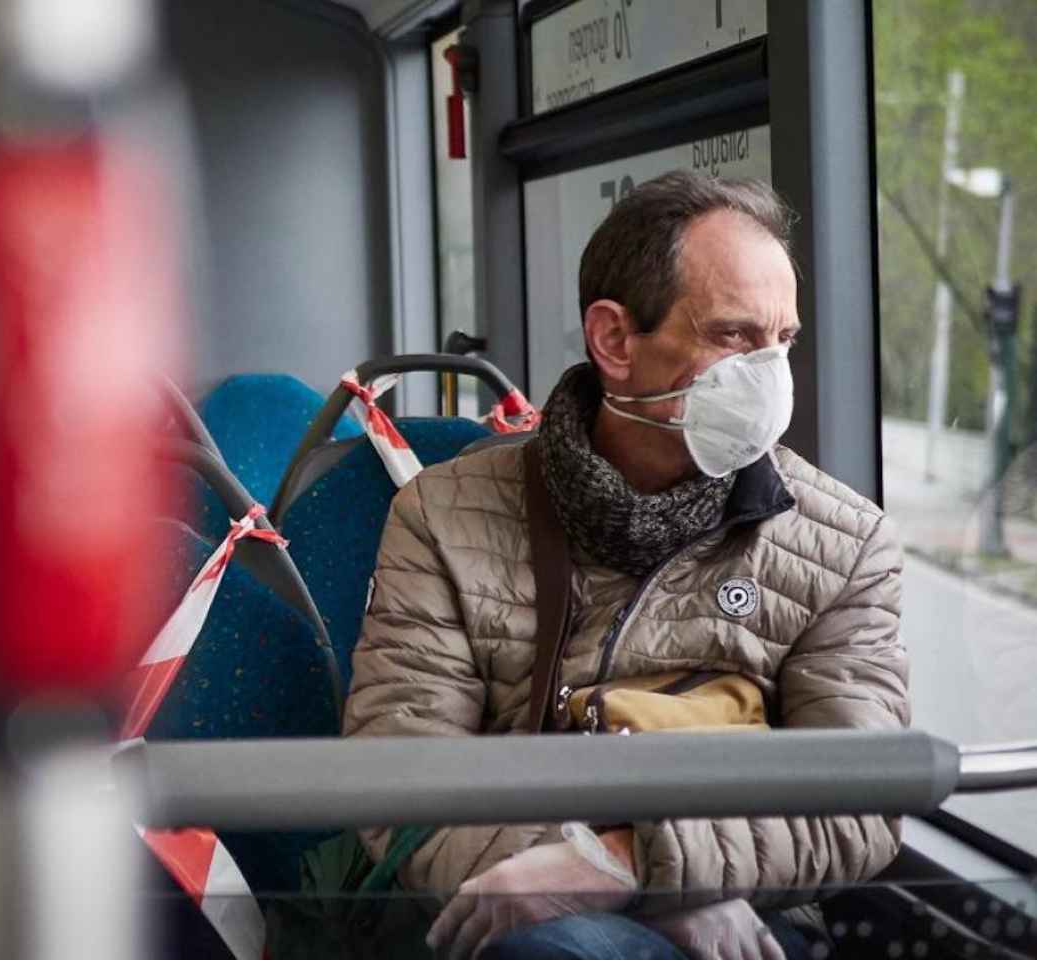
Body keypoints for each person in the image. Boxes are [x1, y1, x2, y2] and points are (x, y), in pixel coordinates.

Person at [343, 172, 909, 960]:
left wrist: (635, 868)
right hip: (512, 902)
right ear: (614, 341)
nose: (770, 375)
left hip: (744, 912)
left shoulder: (844, 545)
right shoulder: (443, 516)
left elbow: (862, 801)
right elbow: (398, 774)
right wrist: (577, 876)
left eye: (783, 341)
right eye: (734, 336)